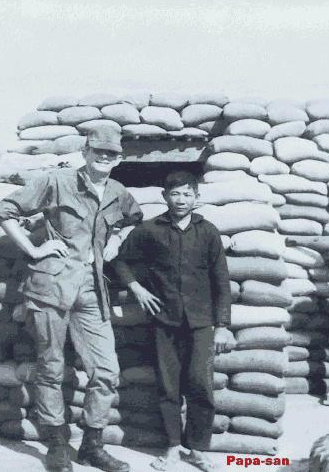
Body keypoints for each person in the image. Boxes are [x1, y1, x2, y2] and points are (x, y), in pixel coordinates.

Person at [0, 126, 142, 472]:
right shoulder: (56, 182)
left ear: (119, 159)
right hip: (51, 287)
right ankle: (57, 444)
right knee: (51, 368)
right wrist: (33, 248)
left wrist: (116, 241)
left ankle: (91, 445)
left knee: (106, 371)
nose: (104, 158)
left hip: (92, 289)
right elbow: (4, 211)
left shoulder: (118, 192)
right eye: (98, 152)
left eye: (112, 154)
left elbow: (134, 219)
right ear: (86, 152)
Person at [112, 170, 236, 472]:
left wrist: (222, 325)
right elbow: (119, 260)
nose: (181, 200)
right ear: (165, 197)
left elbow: (221, 280)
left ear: (197, 198)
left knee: (201, 387)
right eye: (175, 194)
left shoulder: (208, 232)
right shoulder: (149, 230)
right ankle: (171, 447)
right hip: (163, 321)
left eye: (187, 194)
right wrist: (136, 288)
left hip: (201, 324)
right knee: (168, 389)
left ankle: (198, 449)